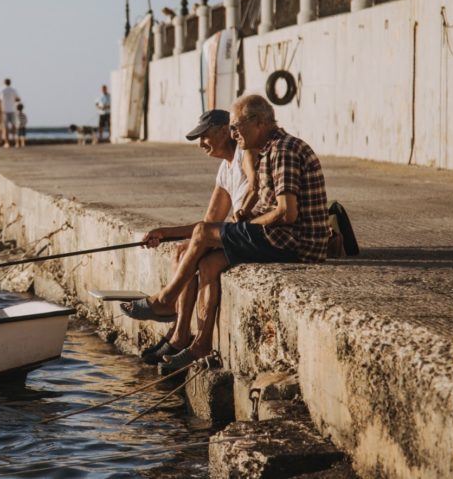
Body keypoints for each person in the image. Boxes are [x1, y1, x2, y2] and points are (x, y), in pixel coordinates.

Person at [122, 94, 331, 372]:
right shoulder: (270, 149)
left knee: (201, 238)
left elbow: (287, 213)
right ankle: (200, 343)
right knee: (209, 262)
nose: (233, 134)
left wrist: (244, 225)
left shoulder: (283, 150)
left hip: (296, 241)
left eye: (236, 127)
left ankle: (165, 299)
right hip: (283, 236)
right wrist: (171, 232)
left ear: (258, 123)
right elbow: (216, 220)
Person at [128, 110, 249, 373]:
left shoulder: (244, 158)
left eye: (204, 136)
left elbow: (214, 227)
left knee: (203, 262)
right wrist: (167, 233)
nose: (201, 144)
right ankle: (180, 335)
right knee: (182, 251)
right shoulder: (225, 168)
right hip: (234, 233)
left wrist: (175, 233)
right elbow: (208, 223)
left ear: (223, 131)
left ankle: (168, 304)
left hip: (250, 234)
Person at [0, 79, 21, 145]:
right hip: (12, 110)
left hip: (4, 110)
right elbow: (18, 99)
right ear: (10, 83)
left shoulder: (1, 90)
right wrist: (13, 100)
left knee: (5, 128)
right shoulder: (13, 90)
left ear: (4, 82)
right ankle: (15, 141)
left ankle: (7, 142)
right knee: (14, 127)